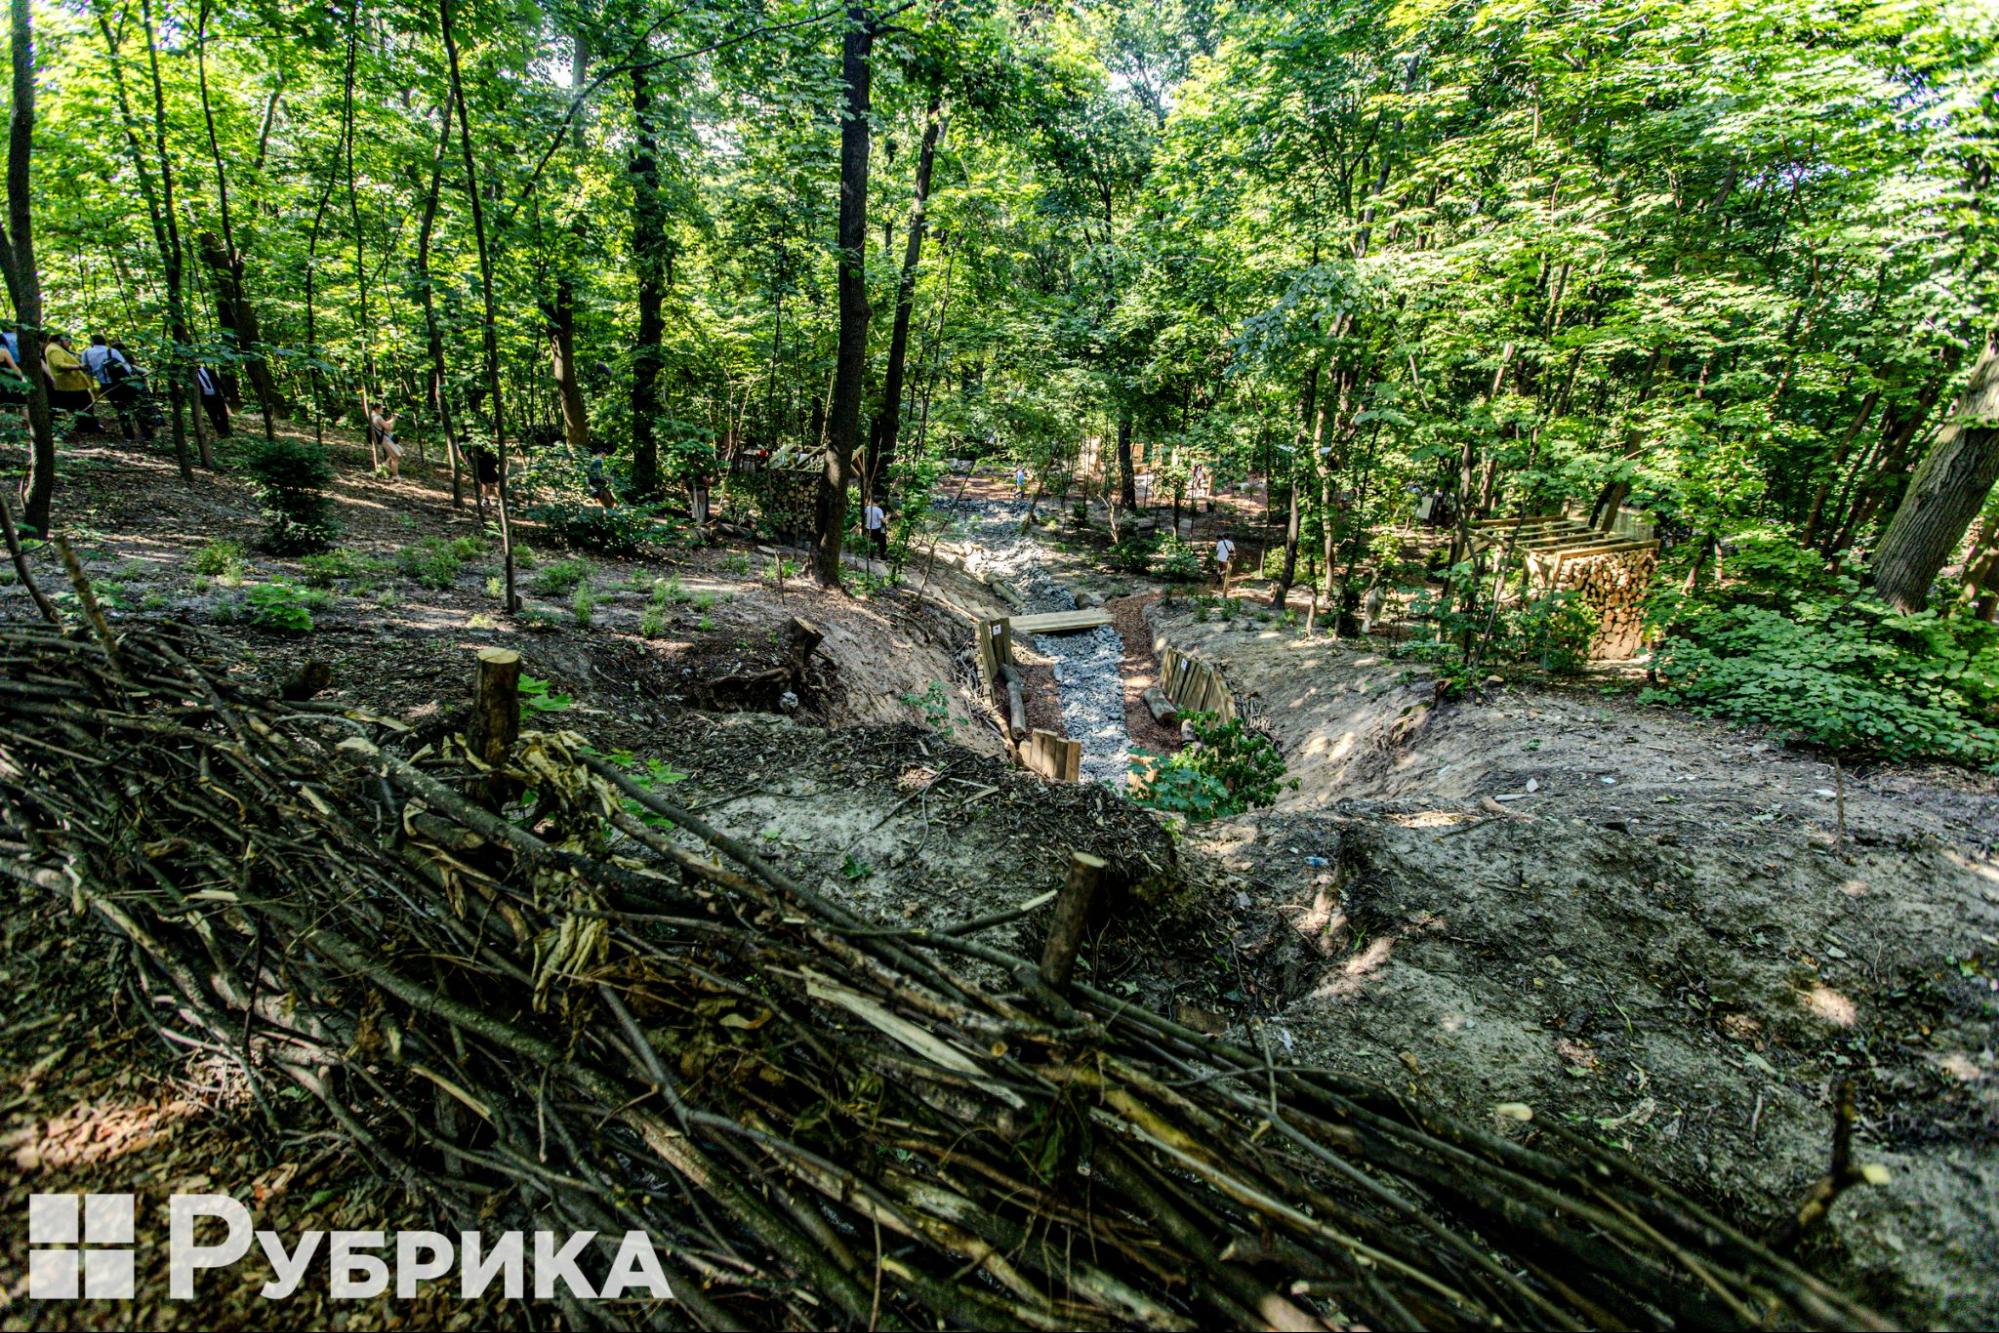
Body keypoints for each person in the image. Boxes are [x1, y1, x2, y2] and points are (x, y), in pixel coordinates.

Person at [42, 335, 100, 435]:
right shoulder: (54, 349)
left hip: (72, 384)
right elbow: (59, 365)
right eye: (66, 340)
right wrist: (79, 367)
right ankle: (86, 428)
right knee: (83, 405)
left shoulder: (57, 348)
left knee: (80, 406)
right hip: (68, 385)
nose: (69, 342)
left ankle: (87, 428)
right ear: (59, 341)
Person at [103, 341, 156, 441]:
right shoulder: (129, 364)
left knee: (123, 413)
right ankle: (146, 434)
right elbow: (145, 372)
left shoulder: (109, 362)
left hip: (117, 391)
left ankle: (129, 436)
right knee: (138, 412)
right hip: (133, 390)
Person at [194, 364, 232, 438]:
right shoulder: (192, 375)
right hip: (206, 399)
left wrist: (226, 394)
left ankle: (227, 430)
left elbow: (219, 382)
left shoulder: (209, 371)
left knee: (223, 413)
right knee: (213, 416)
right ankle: (220, 432)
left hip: (217, 396)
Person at [366, 401, 401, 479]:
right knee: (395, 456)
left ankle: (386, 464)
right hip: (385, 439)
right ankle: (395, 476)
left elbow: (383, 424)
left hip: (383, 438)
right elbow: (389, 428)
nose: (382, 409)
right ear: (376, 408)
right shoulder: (378, 417)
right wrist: (394, 420)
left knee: (400, 450)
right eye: (381, 408)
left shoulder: (372, 415)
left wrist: (391, 419)